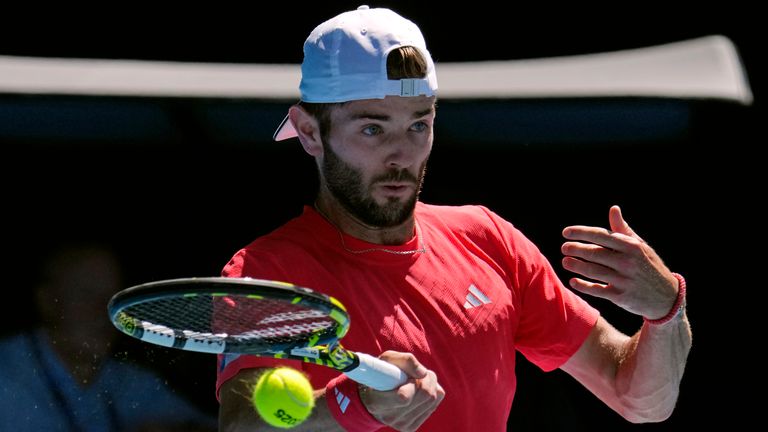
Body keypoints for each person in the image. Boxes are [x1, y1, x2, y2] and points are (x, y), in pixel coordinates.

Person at [216, 5, 692, 431]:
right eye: (372, 128)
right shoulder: (266, 273)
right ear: (309, 133)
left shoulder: (489, 239)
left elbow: (639, 401)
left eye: (418, 124)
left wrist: (667, 311)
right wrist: (353, 406)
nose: (402, 153)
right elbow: (241, 425)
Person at [0, 242, 218, 432]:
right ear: (46, 301)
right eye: (86, 296)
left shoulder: (124, 378)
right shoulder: (7, 375)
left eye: (112, 298)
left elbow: (210, 425)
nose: (103, 312)